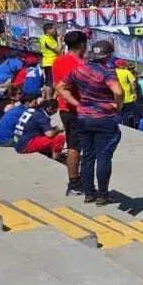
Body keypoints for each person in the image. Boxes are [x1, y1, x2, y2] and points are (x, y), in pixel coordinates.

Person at [57, 40, 123, 206]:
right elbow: (118, 91)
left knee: (87, 156)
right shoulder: (107, 72)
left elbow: (60, 87)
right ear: (108, 55)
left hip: (83, 117)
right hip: (104, 118)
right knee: (104, 156)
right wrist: (118, 105)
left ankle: (88, 192)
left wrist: (76, 104)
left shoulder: (79, 69)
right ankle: (102, 195)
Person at [54, 30, 88, 196]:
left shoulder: (58, 61)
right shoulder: (80, 65)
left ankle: (76, 180)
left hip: (64, 108)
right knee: (75, 147)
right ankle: (74, 183)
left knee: (74, 144)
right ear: (82, 45)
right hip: (76, 109)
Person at [114, 59, 140, 128]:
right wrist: (134, 93)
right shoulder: (127, 72)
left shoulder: (113, 72)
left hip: (116, 98)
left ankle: (117, 128)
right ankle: (126, 130)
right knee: (127, 115)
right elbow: (133, 84)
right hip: (127, 98)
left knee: (118, 115)